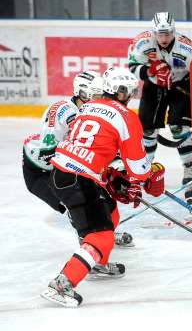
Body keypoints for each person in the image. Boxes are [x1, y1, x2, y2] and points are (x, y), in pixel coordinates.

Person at [40, 67, 166, 307]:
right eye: (130, 92)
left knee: (110, 209)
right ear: (122, 92)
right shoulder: (126, 116)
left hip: (60, 172)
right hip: (79, 179)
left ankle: (96, 262)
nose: (131, 96)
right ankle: (61, 284)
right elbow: (138, 169)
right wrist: (150, 176)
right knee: (102, 236)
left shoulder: (87, 107)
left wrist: (109, 173)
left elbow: (93, 145)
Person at [22, 72, 134, 247]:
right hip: (41, 170)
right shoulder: (61, 110)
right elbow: (47, 152)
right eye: (97, 95)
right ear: (83, 93)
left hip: (68, 165)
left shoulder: (92, 110)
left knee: (102, 201)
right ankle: (89, 244)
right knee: (75, 203)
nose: (102, 99)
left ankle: (103, 234)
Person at [128, 12, 192, 199]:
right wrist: (149, 71)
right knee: (146, 129)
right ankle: (144, 169)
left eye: (167, 33)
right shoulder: (142, 43)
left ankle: (189, 169)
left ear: (174, 31)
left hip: (181, 85)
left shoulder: (186, 47)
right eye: (160, 34)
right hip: (154, 86)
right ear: (154, 32)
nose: (163, 38)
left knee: (180, 127)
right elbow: (132, 66)